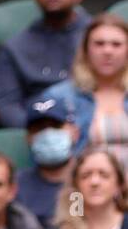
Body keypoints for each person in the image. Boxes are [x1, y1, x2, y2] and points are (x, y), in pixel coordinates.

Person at [0, 0, 91, 129]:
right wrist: (38, 131)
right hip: (37, 132)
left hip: (92, 129)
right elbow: (7, 106)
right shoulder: (15, 47)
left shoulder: (100, 40)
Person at [38, 13, 128, 167]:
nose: (107, 51)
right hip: (83, 186)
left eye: (116, 44)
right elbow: (44, 160)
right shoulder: (59, 97)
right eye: (99, 44)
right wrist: (61, 141)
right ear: (86, 51)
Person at [37, 148, 128, 229]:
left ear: (119, 185)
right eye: (86, 176)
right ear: (76, 186)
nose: (94, 182)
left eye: (104, 175)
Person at [16, 96, 77, 228]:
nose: (48, 134)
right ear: (28, 138)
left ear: (75, 132)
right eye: (39, 128)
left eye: (56, 126)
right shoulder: (16, 186)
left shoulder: (92, 180)